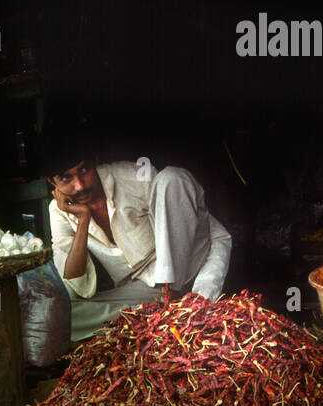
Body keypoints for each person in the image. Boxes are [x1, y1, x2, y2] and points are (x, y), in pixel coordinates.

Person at [45, 145, 232, 342]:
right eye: (66, 178)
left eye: (84, 170)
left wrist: (203, 295)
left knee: (173, 177)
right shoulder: (59, 211)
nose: (80, 185)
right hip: (145, 292)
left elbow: (219, 235)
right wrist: (83, 220)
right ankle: (166, 314)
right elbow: (73, 279)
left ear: (96, 162)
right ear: (52, 182)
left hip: (190, 268)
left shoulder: (134, 177)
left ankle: (173, 303)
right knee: (61, 317)